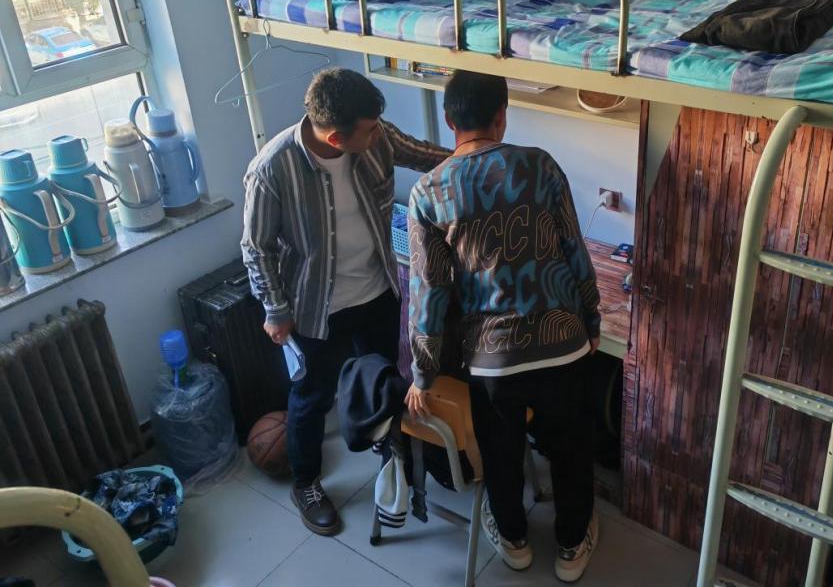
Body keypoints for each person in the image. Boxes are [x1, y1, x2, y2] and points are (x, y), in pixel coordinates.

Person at [405, 71, 601, 583]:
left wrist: (422, 373)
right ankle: (572, 545)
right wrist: (591, 318)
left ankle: (514, 540)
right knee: (570, 449)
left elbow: (429, 293)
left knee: (500, 451)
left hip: (493, 359)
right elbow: (574, 251)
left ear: (449, 120)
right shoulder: (541, 165)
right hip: (563, 344)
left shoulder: (428, 192)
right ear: (502, 116)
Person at [241, 67, 448, 536]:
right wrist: (275, 309)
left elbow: (424, 154)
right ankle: (306, 483)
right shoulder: (273, 169)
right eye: (370, 130)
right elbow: (256, 248)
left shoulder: (376, 136)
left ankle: (390, 460)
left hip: (376, 291)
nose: (380, 135)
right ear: (336, 138)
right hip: (316, 307)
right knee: (312, 397)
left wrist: (476, 157)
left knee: (380, 383)